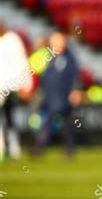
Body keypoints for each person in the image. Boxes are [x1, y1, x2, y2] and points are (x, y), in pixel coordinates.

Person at [31, 31, 79, 157]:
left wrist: (75, 90)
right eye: (55, 41)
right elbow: (34, 70)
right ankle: (39, 147)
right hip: (50, 96)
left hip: (64, 95)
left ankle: (69, 149)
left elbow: (75, 77)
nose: (58, 44)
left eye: (60, 41)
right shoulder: (46, 57)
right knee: (47, 123)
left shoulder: (69, 58)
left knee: (67, 124)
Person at [0, 22, 32, 161]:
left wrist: (26, 84)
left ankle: (14, 147)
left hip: (10, 86)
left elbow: (21, 62)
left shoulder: (13, 40)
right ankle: (2, 148)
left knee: (10, 118)